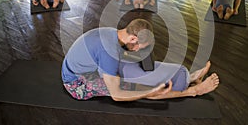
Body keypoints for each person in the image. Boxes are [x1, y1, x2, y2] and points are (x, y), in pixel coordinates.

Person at [61, 18, 219, 101]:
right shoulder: (109, 52)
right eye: (139, 47)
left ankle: (187, 77)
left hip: (90, 66)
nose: (138, 50)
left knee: (135, 66)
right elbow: (117, 95)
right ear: (132, 38)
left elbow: (110, 54)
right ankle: (193, 91)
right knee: (139, 87)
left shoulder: (114, 34)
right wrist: (151, 91)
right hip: (76, 82)